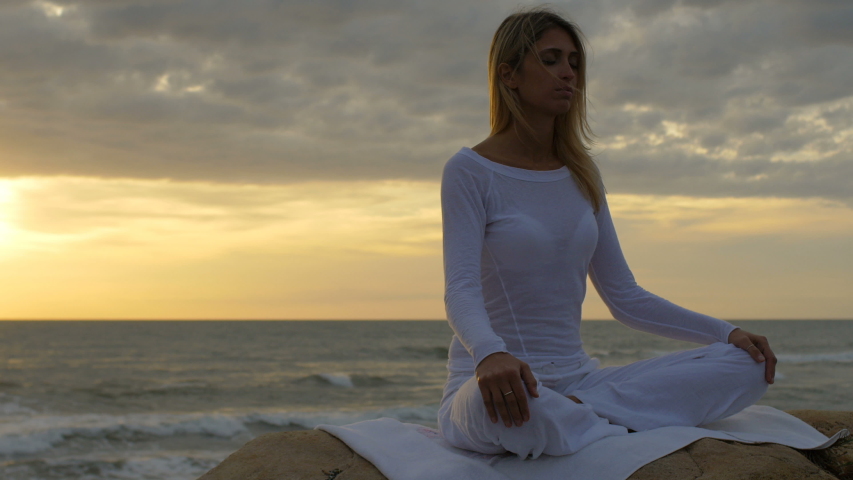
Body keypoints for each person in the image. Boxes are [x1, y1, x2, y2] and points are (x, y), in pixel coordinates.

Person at [437, 7, 777, 460]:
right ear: (509, 74)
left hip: (582, 382)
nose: (569, 75)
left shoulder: (582, 174)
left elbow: (625, 296)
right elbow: (459, 289)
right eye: (552, 59)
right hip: (492, 381)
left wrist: (727, 332)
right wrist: (489, 354)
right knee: (496, 406)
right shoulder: (470, 171)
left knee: (748, 365)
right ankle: (603, 422)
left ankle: (579, 416)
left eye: (575, 63)